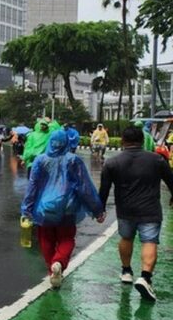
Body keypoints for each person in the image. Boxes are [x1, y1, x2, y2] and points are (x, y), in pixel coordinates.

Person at [22, 130, 105, 289]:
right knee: (66, 238)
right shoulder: (73, 160)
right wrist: (97, 210)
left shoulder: (40, 161)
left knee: (45, 239)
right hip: (68, 208)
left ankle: (51, 269)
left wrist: (27, 209)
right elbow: (85, 187)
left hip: (44, 209)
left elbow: (32, 187)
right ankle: (58, 262)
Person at [99, 127, 173, 302]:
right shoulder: (157, 160)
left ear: (123, 141)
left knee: (126, 238)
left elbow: (104, 189)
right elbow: (171, 180)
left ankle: (126, 271)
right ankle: (145, 277)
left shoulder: (112, 162)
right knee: (149, 241)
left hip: (125, 210)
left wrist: (100, 209)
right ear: (142, 140)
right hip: (150, 209)